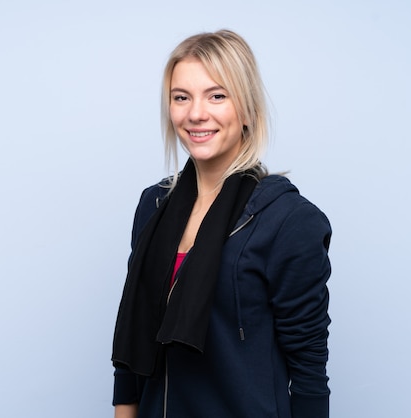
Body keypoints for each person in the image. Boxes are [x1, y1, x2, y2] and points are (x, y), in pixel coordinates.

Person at [111, 29, 331, 418]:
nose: (196, 113)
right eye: (181, 97)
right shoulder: (153, 205)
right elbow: (133, 336)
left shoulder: (290, 221)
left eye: (217, 95)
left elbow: (310, 368)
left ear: (246, 109)